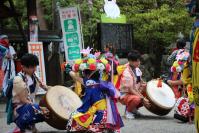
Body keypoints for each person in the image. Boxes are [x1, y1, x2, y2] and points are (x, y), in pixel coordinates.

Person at [66, 57, 123, 132]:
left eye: (84, 73)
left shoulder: (90, 86)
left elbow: (85, 105)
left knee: (73, 117)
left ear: (87, 74)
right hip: (108, 116)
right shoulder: (102, 83)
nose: (83, 75)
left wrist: (69, 70)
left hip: (99, 116)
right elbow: (77, 78)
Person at [8, 53, 49, 132]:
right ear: (23, 67)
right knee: (38, 108)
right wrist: (40, 108)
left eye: (35, 66)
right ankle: (21, 124)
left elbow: (44, 86)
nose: (34, 69)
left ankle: (30, 126)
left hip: (29, 106)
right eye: (31, 67)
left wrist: (56, 90)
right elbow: (24, 101)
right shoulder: (18, 79)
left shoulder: (34, 75)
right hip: (19, 110)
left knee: (48, 109)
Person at [119, 50, 151, 119]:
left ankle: (133, 109)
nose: (138, 63)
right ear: (130, 61)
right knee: (138, 99)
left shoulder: (136, 69)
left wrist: (146, 85)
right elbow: (130, 90)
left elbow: (141, 81)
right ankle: (128, 111)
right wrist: (142, 98)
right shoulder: (126, 72)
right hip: (124, 94)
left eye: (139, 60)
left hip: (133, 91)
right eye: (136, 61)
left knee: (148, 92)